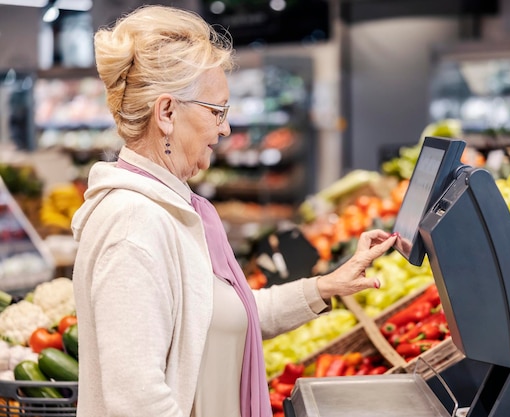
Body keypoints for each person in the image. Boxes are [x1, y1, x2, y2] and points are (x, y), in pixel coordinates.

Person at [70, 5, 398, 417]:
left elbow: (215, 315)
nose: (224, 128)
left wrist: (324, 287)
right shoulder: (135, 222)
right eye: (217, 111)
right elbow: (137, 403)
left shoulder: (170, 209)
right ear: (167, 112)